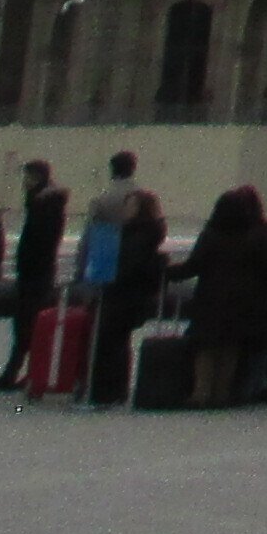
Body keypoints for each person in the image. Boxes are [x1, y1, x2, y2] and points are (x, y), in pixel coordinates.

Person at [185, 185, 267, 405]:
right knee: (230, 348)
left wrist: (169, 272)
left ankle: (202, 393)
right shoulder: (254, 235)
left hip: (211, 297)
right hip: (242, 298)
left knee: (206, 348)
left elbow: (194, 265)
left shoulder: (210, 235)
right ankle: (222, 392)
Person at [85, 153, 166, 412]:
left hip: (117, 289)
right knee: (120, 343)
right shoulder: (149, 220)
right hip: (134, 294)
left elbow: (92, 239)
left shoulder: (105, 200)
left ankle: (103, 391)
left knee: (108, 341)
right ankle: (116, 389)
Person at [0, 157, 65, 390]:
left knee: (26, 324)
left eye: (28, 177)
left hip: (36, 273)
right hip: (37, 272)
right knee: (27, 325)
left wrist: (28, 265)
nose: (24, 182)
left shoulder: (45, 205)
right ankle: (20, 372)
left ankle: (19, 373)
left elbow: (39, 242)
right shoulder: (43, 202)